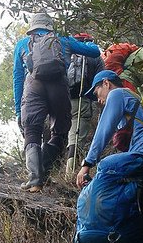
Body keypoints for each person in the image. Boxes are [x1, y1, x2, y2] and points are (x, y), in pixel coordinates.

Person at [13, 12, 101, 192]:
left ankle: (35, 179)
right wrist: (86, 42)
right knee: (59, 131)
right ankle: (44, 172)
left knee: (32, 131)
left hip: (33, 87)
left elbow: (17, 78)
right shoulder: (62, 40)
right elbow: (94, 51)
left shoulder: (22, 44)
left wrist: (17, 110)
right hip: (59, 86)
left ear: (32, 28)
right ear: (50, 26)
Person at [75, 70, 143, 190]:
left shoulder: (117, 94)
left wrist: (87, 164)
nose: (98, 99)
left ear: (106, 83)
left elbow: (103, 131)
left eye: (97, 93)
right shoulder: (131, 96)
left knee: (105, 167)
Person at [65, 33, 104, 173]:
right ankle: (70, 173)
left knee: (60, 134)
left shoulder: (66, 50)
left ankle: (48, 170)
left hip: (62, 98)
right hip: (82, 100)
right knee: (77, 137)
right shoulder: (95, 57)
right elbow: (100, 80)